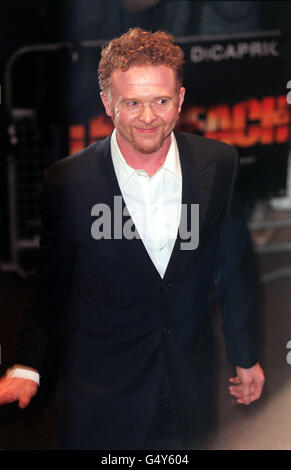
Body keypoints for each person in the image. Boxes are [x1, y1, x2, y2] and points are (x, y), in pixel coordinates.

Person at [0, 28, 265, 450]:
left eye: (160, 100)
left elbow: (233, 269)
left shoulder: (218, 163)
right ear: (108, 103)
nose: (148, 117)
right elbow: (50, 287)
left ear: (180, 98)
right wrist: (28, 364)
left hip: (189, 388)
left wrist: (245, 354)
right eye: (132, 103)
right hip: (102, 396)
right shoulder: (68, 182)